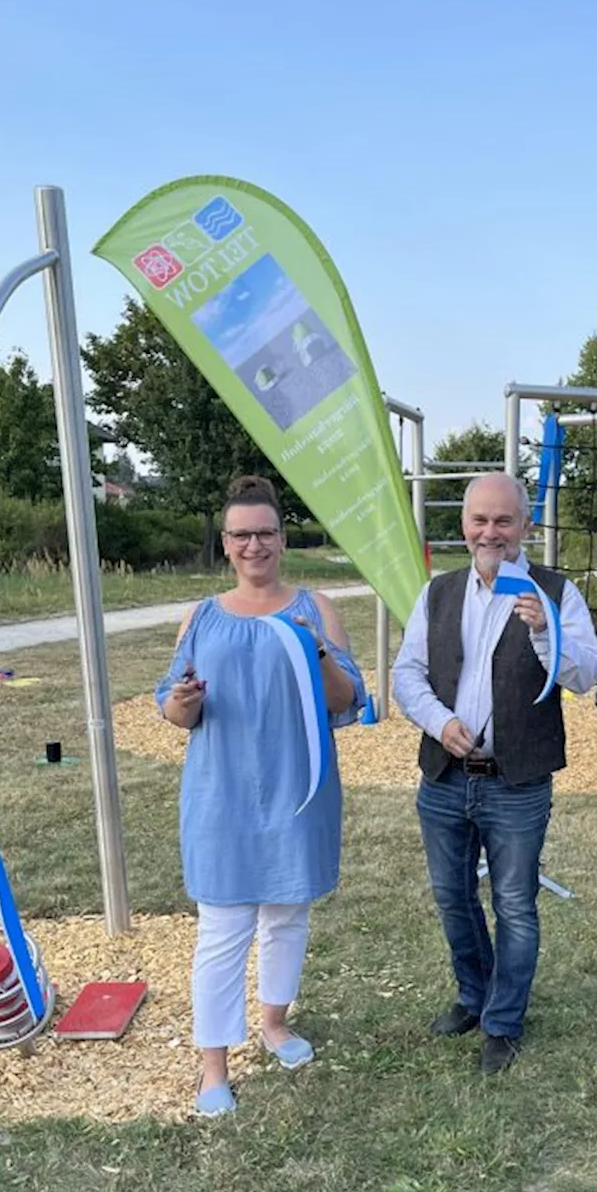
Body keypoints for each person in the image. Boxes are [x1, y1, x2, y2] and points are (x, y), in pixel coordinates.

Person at [156, 475, 365, 1116]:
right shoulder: (202, 614)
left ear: (282, 537)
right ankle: (212, 1064)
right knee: (222, 929)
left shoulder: (316, 607)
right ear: (226, 543)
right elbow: (173, 707)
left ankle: (275, 1021)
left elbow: (347, 700)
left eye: (265, 532)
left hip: (297, 790)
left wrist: (321, 650)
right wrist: (183, 702)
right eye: (241, 534)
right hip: (221, 795)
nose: (254, 545)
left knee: (287, 914)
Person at [393, 472, 597, 1075]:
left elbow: (586, 675)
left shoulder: (556, 593)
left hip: (518, 781)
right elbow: (408, 673)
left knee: (514, 902)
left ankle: (504, 1021)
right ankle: (474, 994)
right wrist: (438, 722)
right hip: (445, 775)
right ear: (464, 526)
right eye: (480, 520)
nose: (491, 532)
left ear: (525, 526)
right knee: (451, 896)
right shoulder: (439, 593)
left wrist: (544, 634)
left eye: (504, 521)